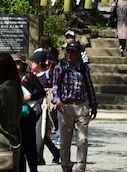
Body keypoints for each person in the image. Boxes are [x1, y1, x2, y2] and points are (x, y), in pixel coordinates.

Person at [51, 42, 98, 172]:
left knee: (82, 139)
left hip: (81, 106)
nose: (69, 54)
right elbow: (55, 86)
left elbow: (89, 87)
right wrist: (57, 100)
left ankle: (80, 167)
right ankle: (66, 166)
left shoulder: (83, 68)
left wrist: (94, 105)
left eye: (73, 52)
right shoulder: (59, 68)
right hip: (65, 107)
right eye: (68, 51)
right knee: (65, 141)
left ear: (78, 54)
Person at [14, 54, 45, 172]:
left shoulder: (30, 76)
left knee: (30, 143)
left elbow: (41, 92)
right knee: (19, 145)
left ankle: (33, 167)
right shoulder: (11, 78)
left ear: (23, 65)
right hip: (16, 114)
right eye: (15, 63)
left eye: (19, 63)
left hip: (29, 112)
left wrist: (29, 98)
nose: (17, 66)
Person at [29, 51, 60, 165]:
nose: (31, 63)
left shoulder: (48, 74)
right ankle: (56, 152)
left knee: (40, 130)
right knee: (40, 132)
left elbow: (55, 88)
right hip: (34, 106)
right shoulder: (32, 75)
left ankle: (38, 157)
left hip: (45, 106)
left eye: (34, 61)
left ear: (40, 62)